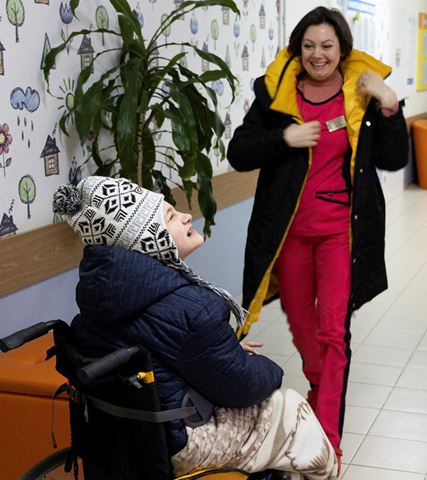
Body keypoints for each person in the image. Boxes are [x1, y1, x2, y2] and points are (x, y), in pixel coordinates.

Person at [52, 176, 338, 480]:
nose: (187, 216)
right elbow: (242, 387)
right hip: (178, 443)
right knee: (289, 407)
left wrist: (220, 351)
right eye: (171, 217)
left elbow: (162, 352)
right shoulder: (194, 308)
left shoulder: (98, 296)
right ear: (148, 240)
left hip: (120, 441)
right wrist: (271, 369)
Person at [227, 6, 409, 476]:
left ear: (341, 48)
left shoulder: (360, 94)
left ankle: (327, 444)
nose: (317, 54)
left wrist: (389, 104)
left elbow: (393, 157)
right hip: (287, 233)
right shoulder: (275, 93)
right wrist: (284, 137)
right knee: (304, 330)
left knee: (333, 332)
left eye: (327, 45)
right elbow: (240, 152)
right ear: (297, 48)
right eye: (308, 45)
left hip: (339, 234)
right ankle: (319, 388)